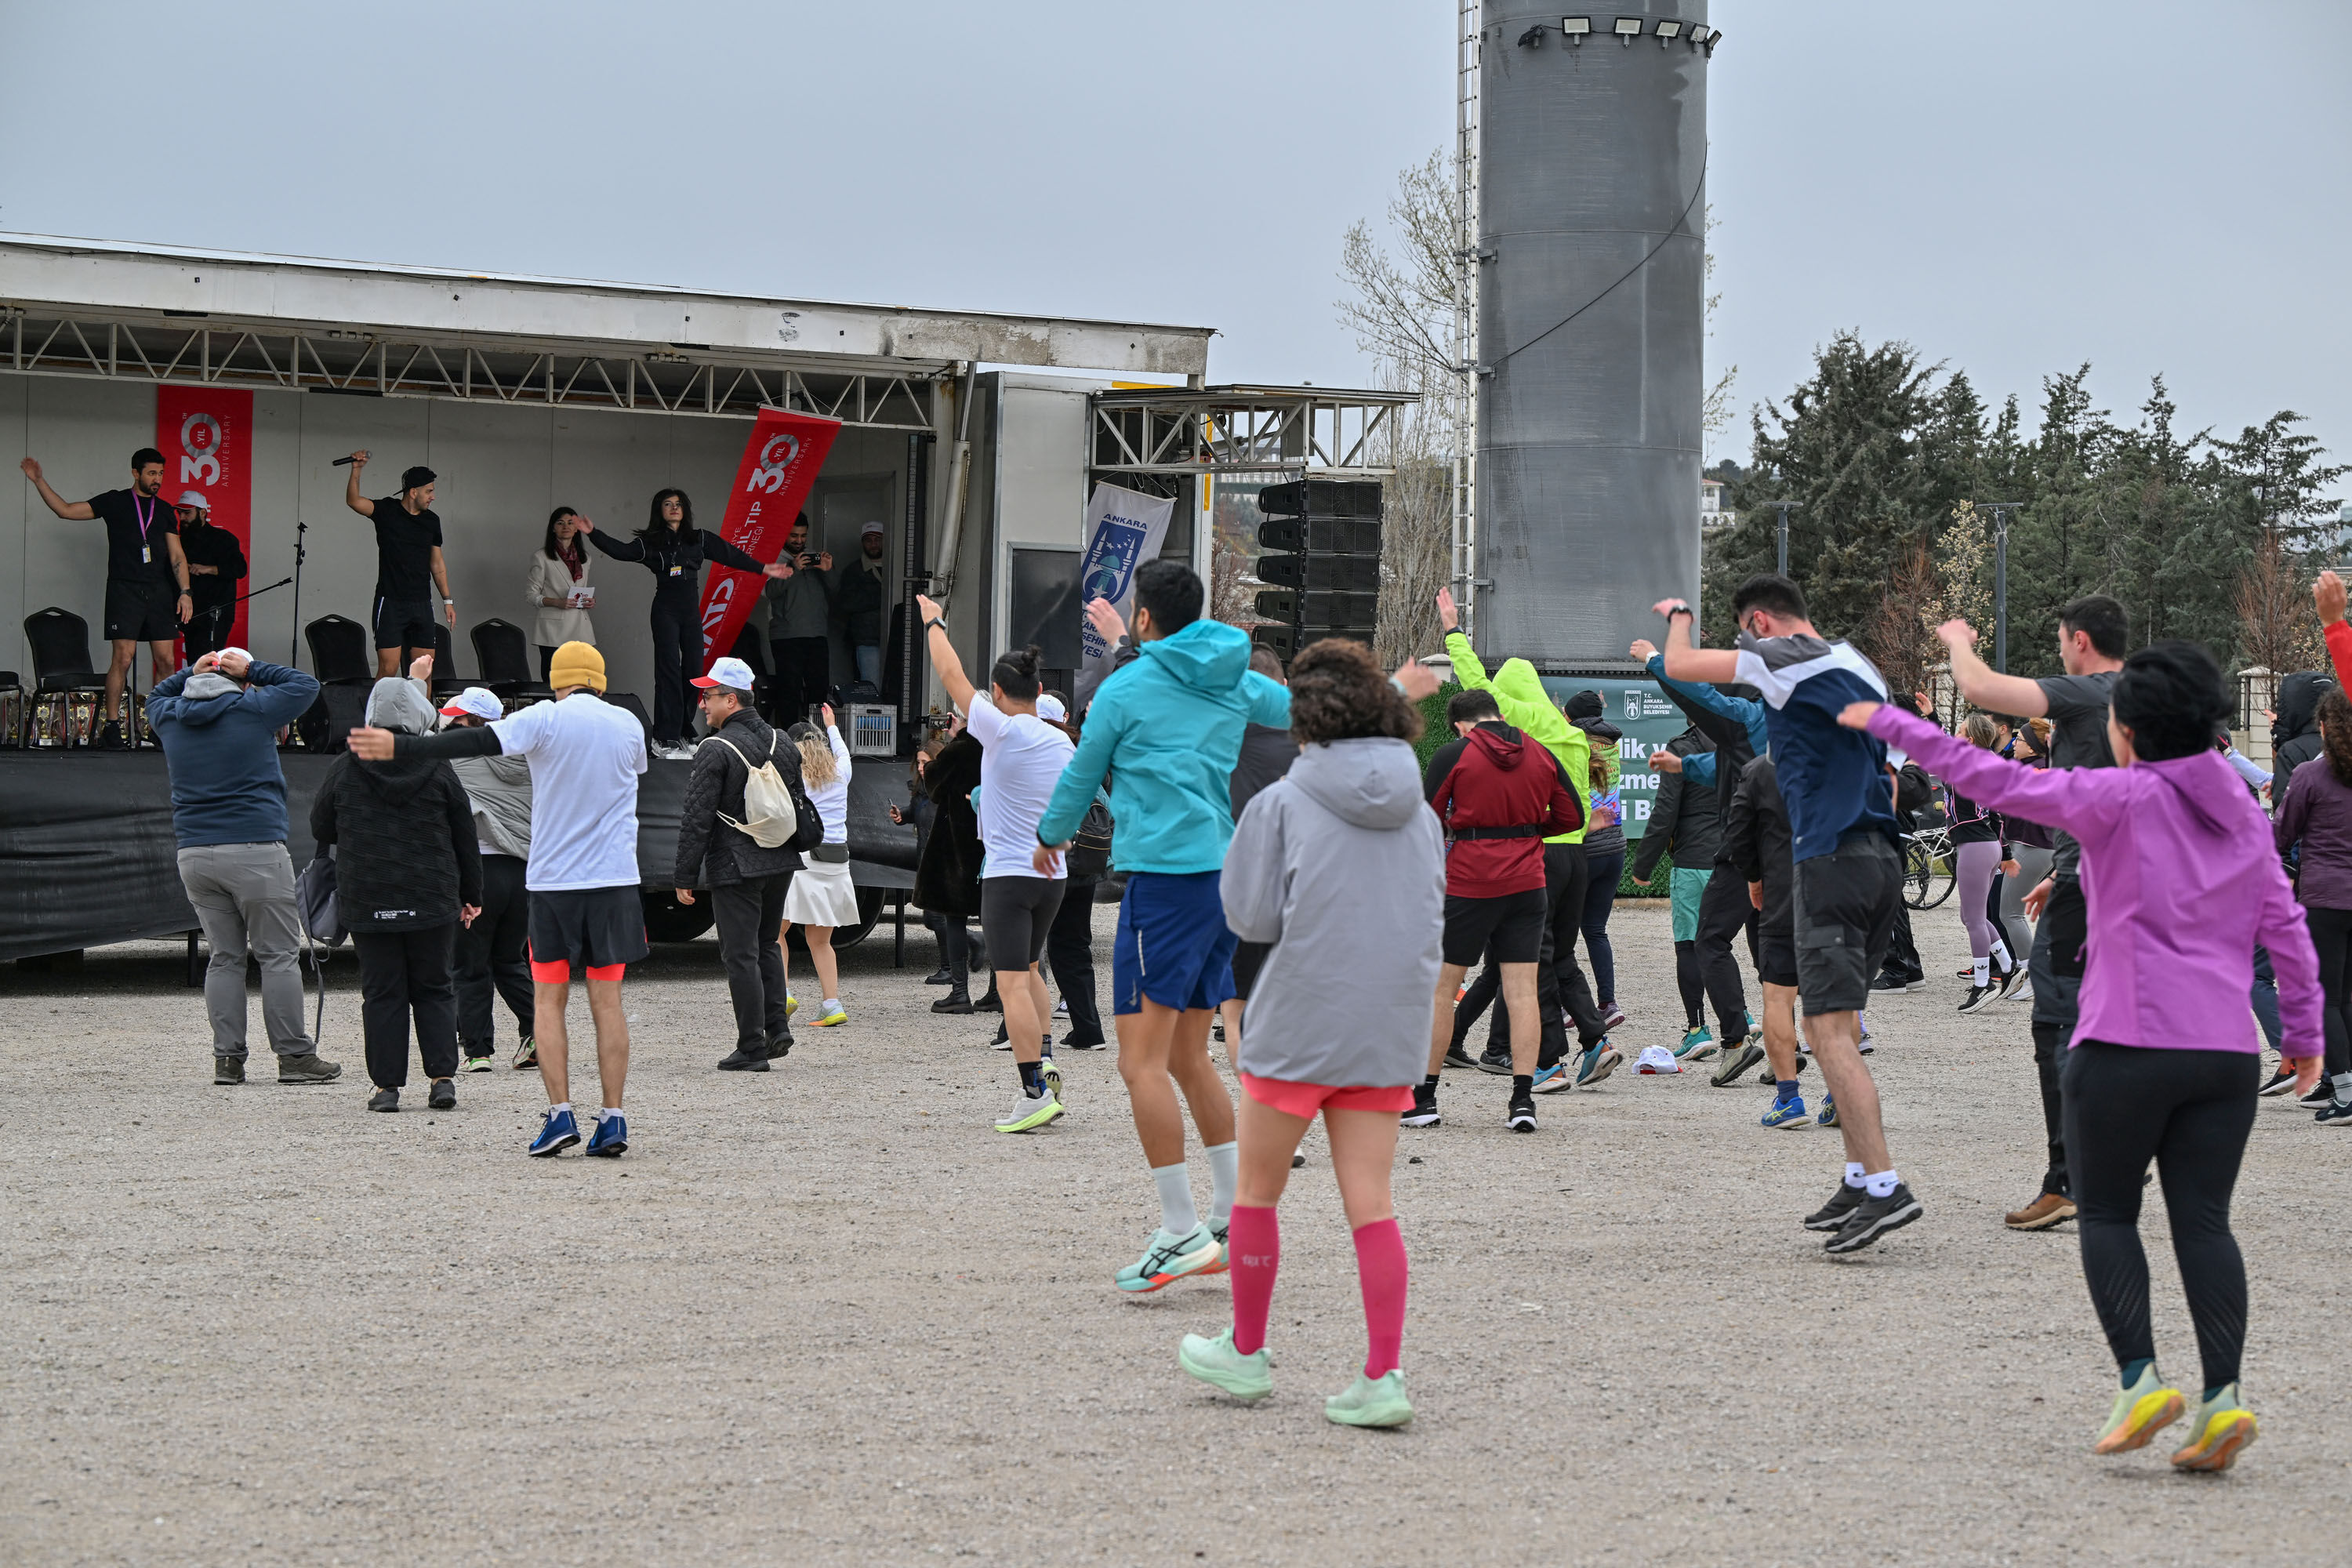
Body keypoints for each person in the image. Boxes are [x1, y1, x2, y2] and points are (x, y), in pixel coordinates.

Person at [1846, 641, 2321, 1471]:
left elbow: (1995, 780)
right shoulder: (2244, 807)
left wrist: (1893, 722)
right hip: (2222, 1053)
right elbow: (2285, 926)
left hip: (2125, 1041)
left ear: (2127, 729)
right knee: (2205, 1221)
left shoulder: (2117, 796)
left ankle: (2141, 1379)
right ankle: (2223, 1399)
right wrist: (2307, 1035)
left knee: (2106, 1212)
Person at [1036, 561, 1433, 1292]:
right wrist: (1395, 690)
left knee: (1140, 1063)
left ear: (1145, 619)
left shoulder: (1125, 688)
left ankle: (1180, 1229)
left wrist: (1051, 835)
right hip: (1219, 877)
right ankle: (1223, 1213)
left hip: (1164, 881)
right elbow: (1308, 710)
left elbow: (1080, 774)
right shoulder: (1232, 678)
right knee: (1190, 1055)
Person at [1177, 638, 1443, 1428]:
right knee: (1373, 1201)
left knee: (1259, 1191)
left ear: (1306, 720)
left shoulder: (1283, 802)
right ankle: (1382, 1374)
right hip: (1387, 1020)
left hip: (1299, 1016)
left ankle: (1247, 1352)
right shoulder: (1420, 807)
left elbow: (1249, 916)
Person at [1654, 575, 1922, 1254]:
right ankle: (1860, 1175)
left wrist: (1679, 619)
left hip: (1830, 857)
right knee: (1834, 1021)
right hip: (1879, 857)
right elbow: (1897, 770)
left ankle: (1886, 1187)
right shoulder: (1857, 664)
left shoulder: (1783, 657)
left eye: (1744, 633)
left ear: (1762, 625)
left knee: (1827, 1030)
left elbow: (1683, 668)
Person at [349, 641, 648, 1159]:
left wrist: (400, 747)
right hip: (616, 881)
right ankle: (614, 1117)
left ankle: (560, 1116)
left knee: (549, 1001)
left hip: (556, 882)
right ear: (599, 679)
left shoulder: (545, 719)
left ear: (557, 680)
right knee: (608, 1002)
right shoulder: (628, 725)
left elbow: (472, 744)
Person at [1936, 596, 2128, 1232]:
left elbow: (1980, 686)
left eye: (2060, 640)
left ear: (2078, 640)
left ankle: (2070, 1178)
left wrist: (1959, 639)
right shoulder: (2144, 694)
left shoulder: (2083, 691)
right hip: (2122, 880)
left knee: (2056, 1027)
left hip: (2088, 886)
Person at [1439, 590, 1618, 1089]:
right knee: (1557, 956)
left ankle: (1546, 1061)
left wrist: (1454, 632)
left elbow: (1475, 685)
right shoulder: (1574, 735)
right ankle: (1594, 1040)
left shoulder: (1525, 722)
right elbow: (1577, 807)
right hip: (1577, 855)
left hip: (1535, 854)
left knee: (1526, 964)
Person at [918, 595, 1077, 1131]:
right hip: (1051, 877)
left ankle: (1034, 1089)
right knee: (1029, 969)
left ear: (1001, 694)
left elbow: (950, 671)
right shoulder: (1063, 745)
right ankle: (1047, 1058)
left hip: (1009, 875)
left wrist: (934, 621)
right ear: (1039, 692)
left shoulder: (1001, 728)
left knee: (1010, 981)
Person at [146, 645, 338, 1085]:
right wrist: (254, 668)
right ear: (242, 682)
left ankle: (227, 1060)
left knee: (224, 958)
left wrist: (187, 674)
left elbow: (155, 695)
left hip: (194, 853)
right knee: (278, 957)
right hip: (254, 849)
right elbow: (306, 686)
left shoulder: (170, 717)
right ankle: (293, 1057)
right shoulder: (253, 708)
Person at [311, 666, 482, 1113]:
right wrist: (472, 895)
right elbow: (466, 837)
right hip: (432, 896)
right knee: (435, 987)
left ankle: (387, 1087)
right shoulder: (438, 767)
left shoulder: (345, 767)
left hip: (369, 897)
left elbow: (320, 826)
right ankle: (442, 1079)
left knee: (382, 992)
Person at [1413, 687, 1582, 1131]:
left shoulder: (1455, 753)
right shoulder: (1540, 752)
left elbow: (1426, 816)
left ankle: (1425, 1099)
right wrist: (1527, 830)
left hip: (1470, 880)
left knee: (1443, 989)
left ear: (1461, 725)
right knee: (1522, 990)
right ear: (1498, 714)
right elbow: (1572, 816)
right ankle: (1522, 1101)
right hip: (1528, 881)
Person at [1632, 632, 1769, 1080]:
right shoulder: (1786, 720)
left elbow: (1700, 697)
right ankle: (1786, 1047)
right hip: (1790, 852)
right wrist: (1684, 766)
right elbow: (1732, 766)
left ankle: (1732, 1041)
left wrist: (1655, 661)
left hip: (1744, 849)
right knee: (1772, 949)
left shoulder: (1747, 715)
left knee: (1708, 941)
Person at [580, 489, 790, 758]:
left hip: (691, 613)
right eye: (668, 504)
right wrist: (593, 532)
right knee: (668, 671)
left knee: (693, 670)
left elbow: (730, 554)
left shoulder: (698, 539)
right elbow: (620, 551)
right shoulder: (650, 542)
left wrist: (763, 568)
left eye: (678, 504)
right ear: (660, 510)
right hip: (665, 611)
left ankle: (682, 731)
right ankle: (664, 736)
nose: (674, 508)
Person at [674, 655, 805, 1072]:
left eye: (707, 696)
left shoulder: (714, 748)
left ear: (730, 700)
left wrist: (683, 875)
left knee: (739, 954)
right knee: (767, 943)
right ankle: (777, 1028)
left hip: (735, 863)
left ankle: (751, 1047)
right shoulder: (783, 741)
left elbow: (697, 817)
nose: (701, 705)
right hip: (781, 859)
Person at [20, 449, 194, 746]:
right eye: (152, 473)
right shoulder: (115, 502)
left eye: (161, 474)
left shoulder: (165, 510)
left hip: (160, 591)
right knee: (123, 658)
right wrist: (39, 481)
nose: (157, 480)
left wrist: (186, 592)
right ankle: (112, 726)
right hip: (124, 589)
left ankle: (160, 724)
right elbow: (65, 510)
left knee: (166, 661)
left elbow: (177, 555)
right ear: (135, 473)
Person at [439, 687, 536, 1072]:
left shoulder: (453, 757)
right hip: (523, 871)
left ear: (469, 722)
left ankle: (478, 1050)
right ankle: (537, 1034)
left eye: (456, 717)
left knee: (470, 964)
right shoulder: (527, 757)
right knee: (512, 960)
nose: (449, 722)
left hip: (478, 870)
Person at [1724, 752, 1817, 1128]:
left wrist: (1754, 875)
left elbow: (1738, 834)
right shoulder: (1850, 758)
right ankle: (1840, 1093)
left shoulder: (1763, 769)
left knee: (1778, 999)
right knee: (1833, 1001)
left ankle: (1789, 1099)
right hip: (1840, 897)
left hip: (1784, 897)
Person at [2273, 687, 2352, 1123]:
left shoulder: (2309, 775)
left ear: (2324, 727)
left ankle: (2345, 1088)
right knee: (2348, 998)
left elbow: (2282, 835)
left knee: (2325, 997)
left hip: (2325, 896)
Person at [1220, 648, 1294, 1056]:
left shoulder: (1217, 735)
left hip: (1239, 880)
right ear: (1284, 686)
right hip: (1301, 881)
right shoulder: (1316, 741)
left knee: (1236, 1003)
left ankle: (1255, 1100)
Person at [1630, 726, 1722, 1057]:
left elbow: (1665, 811)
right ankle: (1741, 1019)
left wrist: (1642, 867)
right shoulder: (1742, 739)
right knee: (1722, 946)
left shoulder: (1681, 748)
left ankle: (1697, 1029)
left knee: (1689, 946)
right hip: (1736, 860)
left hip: (1694, 862)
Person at [340, 452, 454, 679]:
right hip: (391, 601)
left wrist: (447, 600)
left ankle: (422, 716)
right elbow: (354, 501)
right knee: (388, 668)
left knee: (424, 671)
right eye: (429, 491)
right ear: (413, 492)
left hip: (422, 602)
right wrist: (356, 469)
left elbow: (437, 562)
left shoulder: (432, 520)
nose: (433, 496)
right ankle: (377, 715)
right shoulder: (387, 511)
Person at [1037, 691, 1108, 1050]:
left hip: (1057, 862)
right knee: (1076, 946)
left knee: (1031, 945)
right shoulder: (1082, 754)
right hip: (1087, 864)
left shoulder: (1042, 755)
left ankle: (1015, 1030)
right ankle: (1088, 1029)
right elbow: (1104, 805)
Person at [780, 708, 856, 1026]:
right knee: (821, 941)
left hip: (805, 861)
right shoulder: (842, 772)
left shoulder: (795, 778)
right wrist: (833, 726)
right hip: (838, 861)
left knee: (774, 932)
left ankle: (780, 994)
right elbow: (843, 752)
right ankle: (832, 1004)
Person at [912, 723, 988, 1013]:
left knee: (955, 917)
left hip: (957, 840)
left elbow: (933, 785)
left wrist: (955, 738)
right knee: (992, 919)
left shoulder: (960, 749)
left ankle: (960, 992)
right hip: (991, 840)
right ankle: (997, 992)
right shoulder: (999, 744)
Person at [1564, 690, 1628, 1029]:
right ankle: (1608, 1002)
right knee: (1596, 931)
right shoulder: (1611, 745)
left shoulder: (1575, 744)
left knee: (1562, 933)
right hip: (1615, 847)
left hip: (1585, 847)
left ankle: (1567, 1005)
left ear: (1572, 717)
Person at [1948, 713, 2018, 1014]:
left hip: (1976, 845)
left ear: (1971, 740)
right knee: (1971, 915)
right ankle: (2007, 965)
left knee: (1975, 919)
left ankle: (1983, 983)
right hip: (1986, 844)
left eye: (1959, 732)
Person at [1994, 719, 2056, 1004]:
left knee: (2010, 913)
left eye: (2019, 739)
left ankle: (2032, 976)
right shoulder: (2037, 766)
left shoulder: (2035, 769)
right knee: (2029, 913)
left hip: (2033, 847)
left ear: (2031, 745)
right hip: (2039, 846)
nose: (2015, 743)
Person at [764, 511, 833, 723]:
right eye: (794, 536)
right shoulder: (774, 558)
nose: (799, 541)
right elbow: (770, 591)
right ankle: (786, 743)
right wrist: (793, 568)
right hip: (786, 636)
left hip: (817, 634)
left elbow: (838, 593)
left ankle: (816, 741)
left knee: (819, 693)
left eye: (803, 536)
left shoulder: (814, 559)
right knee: (789, 692)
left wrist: (827, 570)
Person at [527, 507, 597, 682]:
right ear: (553, 528)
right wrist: (556, 602)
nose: (565, 526)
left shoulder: (585, 558)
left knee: (579, 682)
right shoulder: (541, 557)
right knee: (554, 682)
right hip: (553, 630)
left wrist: (589, 600)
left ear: (576, 528)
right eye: (560, 523)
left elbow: (580, 589)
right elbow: (531, 595)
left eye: (570, 523)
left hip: (580, 627)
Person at [176, 503, 247, 662]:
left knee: (210, 661)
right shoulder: (181, 541)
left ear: (202, 512)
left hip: (216, 612)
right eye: (180, 513)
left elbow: (239, 569)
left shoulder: (224, 539)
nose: (182, 518)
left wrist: (208, 569)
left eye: (187, 513)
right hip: (191, 613)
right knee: (194, 661)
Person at [836, 521, 890, 688]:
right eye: (869, 540)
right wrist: (881, 597)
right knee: (870, 687)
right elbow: (846, 603)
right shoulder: (853, 571)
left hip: (894, 639)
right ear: (862, 543)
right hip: (866, 639)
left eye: (877, 539)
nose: (873, 544)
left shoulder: (896, 567)